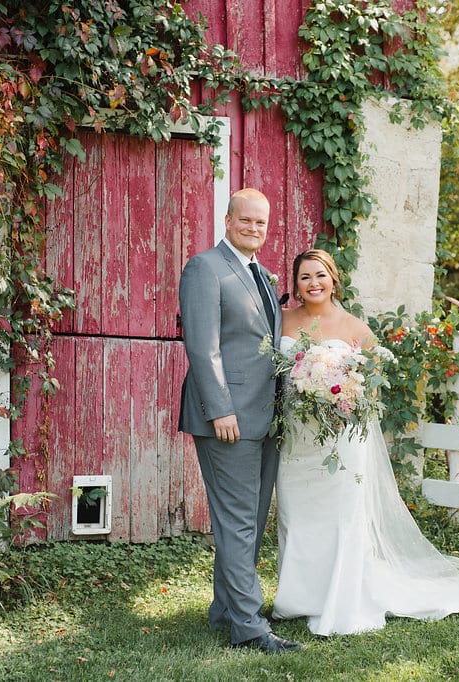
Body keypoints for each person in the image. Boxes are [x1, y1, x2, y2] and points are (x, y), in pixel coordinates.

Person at [271, 249, 459, 636]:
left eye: (320, 275)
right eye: (304, 277)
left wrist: (343, 395)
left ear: (334, 280)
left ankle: (342, 597)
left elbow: (371, 381)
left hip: (340, 441)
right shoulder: (283, 320)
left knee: (340, 518)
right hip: (298, 440)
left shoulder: (354, 327)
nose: (313, 283)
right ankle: (299, 598)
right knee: (297, 514)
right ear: (296, 283)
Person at [178, 188, 302, 654]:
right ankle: (250, 628)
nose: (254, 229)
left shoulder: (263, 276)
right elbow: (202, 347)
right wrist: (221, 408)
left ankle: (227, 611)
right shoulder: (205, 267)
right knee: (238, 522)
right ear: (227, 220)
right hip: (227, 418)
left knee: (248, 519)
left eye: (261, 224)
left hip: (264, 418)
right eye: (245, 220)